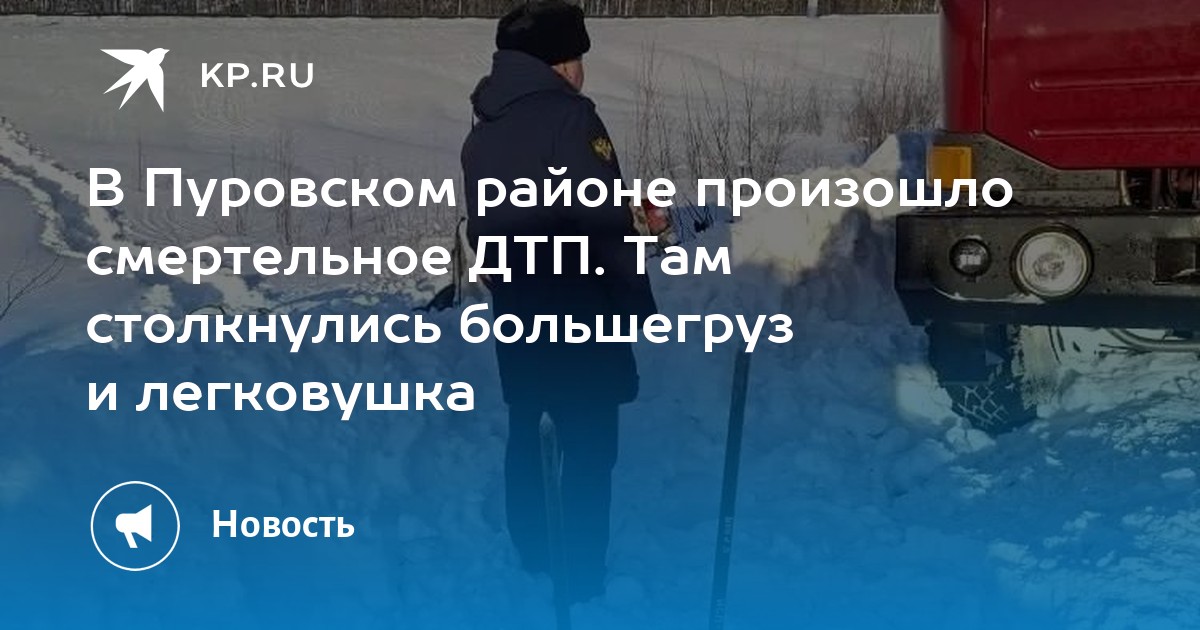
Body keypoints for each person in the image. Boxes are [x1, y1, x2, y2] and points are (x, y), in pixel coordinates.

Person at [460, 0, 657, 604]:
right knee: (589, 450)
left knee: (529, 433)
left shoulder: (484, 126)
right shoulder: (572, 119)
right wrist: (634, 303)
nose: (581, 69)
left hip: (519, 313)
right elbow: (604, 225)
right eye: (577, 57)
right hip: (581, 314)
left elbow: (484, 232)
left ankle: (534, 557)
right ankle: (580, 576)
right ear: (562, 63)